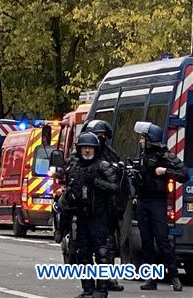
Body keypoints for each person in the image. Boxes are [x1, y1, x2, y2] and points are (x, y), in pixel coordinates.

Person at [59, 132, 119, 298]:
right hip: (80, 216)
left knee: (101, 254)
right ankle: (88, 289)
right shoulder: (74, 167)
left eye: (90, 148)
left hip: (98, 217)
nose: (87, 151)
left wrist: (96, 182)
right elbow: (68, 189)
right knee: (81, 254)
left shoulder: (103, 166)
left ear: (96, 149)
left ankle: (102, 290)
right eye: (84, 147)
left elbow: (115, 188)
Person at [134, 121, 185, 292]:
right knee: (146, 242)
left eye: (143, 138)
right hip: (143, 201)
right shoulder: (143, 155)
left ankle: (175, 277)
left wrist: (164, 171)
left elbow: (183, 174)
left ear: (150, 139)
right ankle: (151, 279)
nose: (140, 141)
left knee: (162, 240)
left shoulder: (164, 155)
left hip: (157, 202)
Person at [84, 119, 126, 293]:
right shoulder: (78, 154)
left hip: (104, 208)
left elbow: (116, 182)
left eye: (102, 136)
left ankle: (105, 281)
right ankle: (87, 288)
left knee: (106, 248)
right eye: (96, 135)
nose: (98, 139)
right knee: (82, 250)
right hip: (84, 208)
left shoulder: (109, 155)